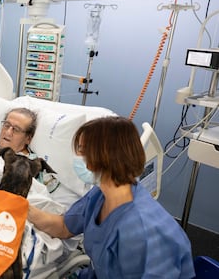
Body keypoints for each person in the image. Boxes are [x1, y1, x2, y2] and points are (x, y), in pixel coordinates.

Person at [28, 116, 195, 278]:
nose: (76, 157)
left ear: (103, 156)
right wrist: (22, 207)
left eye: (80, 150)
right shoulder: (100, 195)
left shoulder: (144, 231)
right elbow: (64, 227)